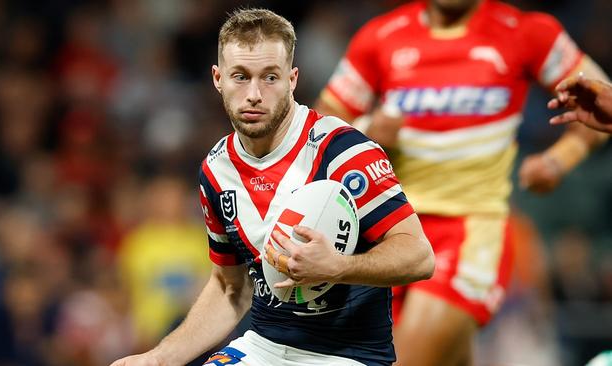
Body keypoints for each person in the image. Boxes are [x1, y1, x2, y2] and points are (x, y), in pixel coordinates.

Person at [110, 8, 434, 366]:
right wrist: (158, 358)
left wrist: (339, 266)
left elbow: (419, 256)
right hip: (262, 347)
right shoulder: (215, 171)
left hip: (348, 356)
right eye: (240, 76)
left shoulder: (343, 152)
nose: (253, 94)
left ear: (292, 79)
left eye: (269, 77)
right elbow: (231, 287)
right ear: (217, 78)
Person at [315, 0, 608, 365]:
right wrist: (367, 129)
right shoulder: (380, 37)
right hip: (389, 233)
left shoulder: (527, 32)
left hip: (470, 233)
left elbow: (603, 98)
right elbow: (321, 127)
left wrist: (559, 159)